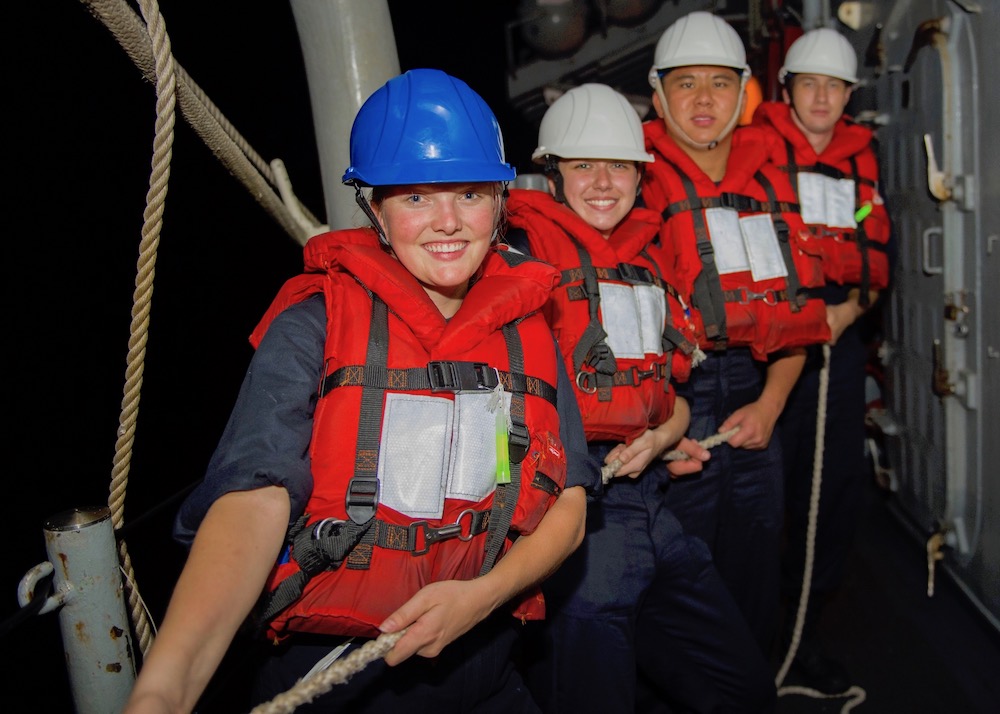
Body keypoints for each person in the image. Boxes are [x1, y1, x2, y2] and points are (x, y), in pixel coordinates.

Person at [121, 68, 593, 714]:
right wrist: (163, 690)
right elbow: (252, 501)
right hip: (337, 681)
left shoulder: (527, 327)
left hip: (487, 666)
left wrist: (481, 597)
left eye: (470, 194)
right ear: (374, 208)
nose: (448, 223)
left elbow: (568, 504)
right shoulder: (312, 325)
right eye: (415, 199)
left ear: (502, 201)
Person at [505, 83, 776, 713]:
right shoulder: (516, 261)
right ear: (552, 173)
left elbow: (676, 395)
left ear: (638, 174)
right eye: (583, 166)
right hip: (575, 518)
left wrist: (659, 435)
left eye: (619, 165)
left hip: (653, 504)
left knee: (743, 689)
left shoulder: (646, 263)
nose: (603, 182)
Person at [640, 11, 832, 656]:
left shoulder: (774, 181)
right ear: (657, 91)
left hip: (757, 389)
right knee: (677, 566)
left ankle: (755, 684)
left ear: (744, 91)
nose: (702, 99)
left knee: (756, 545)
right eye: (685, 82)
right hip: (669, 399)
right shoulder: (625, 184)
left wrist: (773, 404)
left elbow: (797, 316)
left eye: (719, 82)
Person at [752, 27, 894, 692]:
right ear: (787, 89)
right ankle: (745, 631)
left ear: (848, 97)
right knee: (760, 488)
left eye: (834, 86)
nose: (821, 97)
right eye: (809, 83)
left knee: (832, 489)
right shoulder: (756, 148)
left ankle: (801, 631)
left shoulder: (861, 159)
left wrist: (844, 313)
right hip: (770, 335)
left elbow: (877, 259)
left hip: (838, 334)